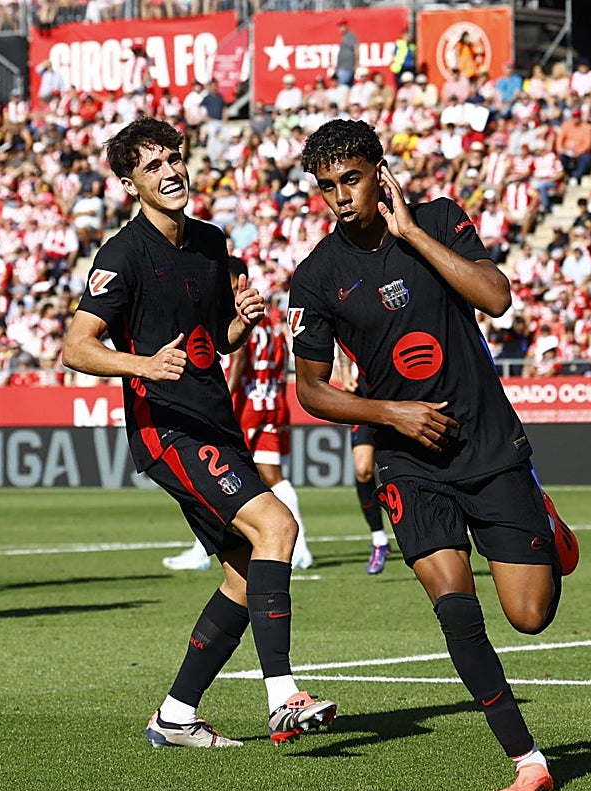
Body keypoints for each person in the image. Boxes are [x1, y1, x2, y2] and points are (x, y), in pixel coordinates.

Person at [289, 120, 578, 791]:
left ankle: (542, 521)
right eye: (328, 187)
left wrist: (413, 234)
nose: (341, 197)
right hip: (408, 461)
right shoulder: (316, 276)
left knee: (529, 615)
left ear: (380, 173)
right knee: (455, 610)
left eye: (352, 180)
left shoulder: (442, 219)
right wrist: (391, 415)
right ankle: (528, 761)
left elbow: (497, 299)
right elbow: (311, 390)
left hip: (488, 443)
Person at [62, 118, 337, 748]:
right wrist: (142, 365)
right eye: (153, 166)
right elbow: (76, 347)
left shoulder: (212, 242)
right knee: (278, 527)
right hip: (167, 429)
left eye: (174, 159)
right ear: (129, 184)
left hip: (215, 420)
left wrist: (240, 323)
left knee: (243, 577)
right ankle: (282, 697)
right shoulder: (121, 255)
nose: (170, 172)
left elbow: (215, 343)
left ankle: (176, 714)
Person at [163, 256, 315, 572]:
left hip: (245, 406)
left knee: (219, 477)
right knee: (271, 476)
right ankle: (300, 548)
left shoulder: (239, 314)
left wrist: (223, 400)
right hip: (271, 402)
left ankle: (203, 550)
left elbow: (240, 358)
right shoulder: (270, 317)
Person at [335, 351, 392, 574]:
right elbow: (344, 339)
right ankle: (379, 540)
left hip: (397, 395)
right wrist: (344, 370)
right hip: (366, 398)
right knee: (363, 469)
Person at [336, 19, 358, 88]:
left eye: (342, 26)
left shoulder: (350, 36)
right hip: (342, 67)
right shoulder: (344, 37)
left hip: (347, 68)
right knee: (348, 88)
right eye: (340, 26)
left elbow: (356, 50)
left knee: (341, 87)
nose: (341, 28)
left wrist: (356, 65)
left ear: (346, 26)